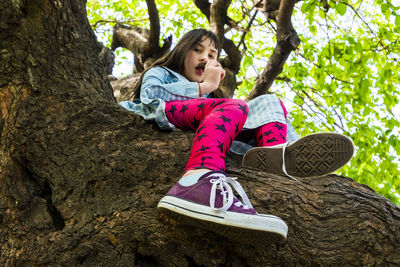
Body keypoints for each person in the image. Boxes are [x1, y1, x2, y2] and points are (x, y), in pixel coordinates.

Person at [119, 29, 354, 245]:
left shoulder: (216, 102)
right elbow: (151, 95)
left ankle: (278, 154)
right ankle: (196, 181)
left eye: (212, 55)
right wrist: (203, 87)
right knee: (235, 107)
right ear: (182, 51)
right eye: (198, 50)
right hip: (162, 113)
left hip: (206, 125)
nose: (206, 58)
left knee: (268, 102)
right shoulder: (163, 73)